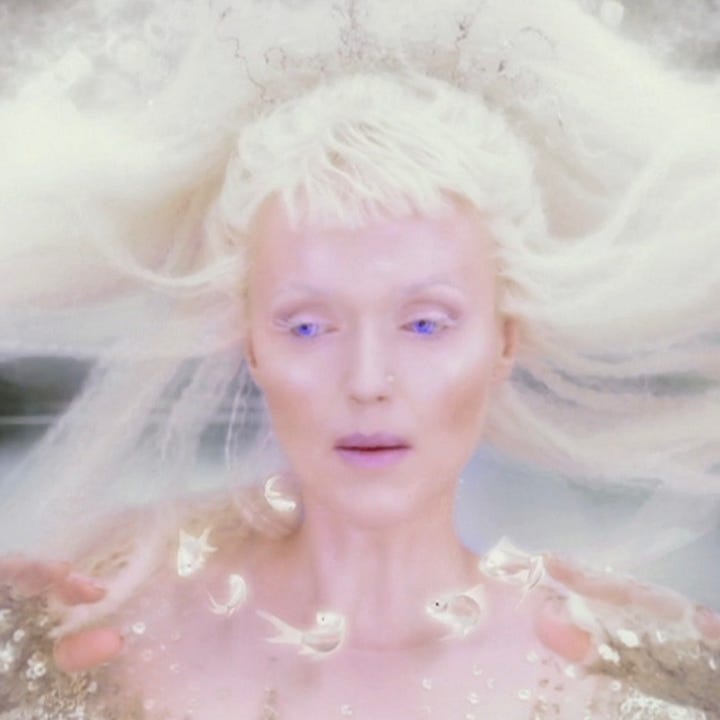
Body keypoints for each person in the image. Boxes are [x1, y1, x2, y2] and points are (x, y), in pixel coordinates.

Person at [0, 1, 719, 718]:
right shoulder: (105, 634)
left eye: (426, 324)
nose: (368, 381)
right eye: (310, 327)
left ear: (504, 340)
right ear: (251, 343)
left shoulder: (606, 677)